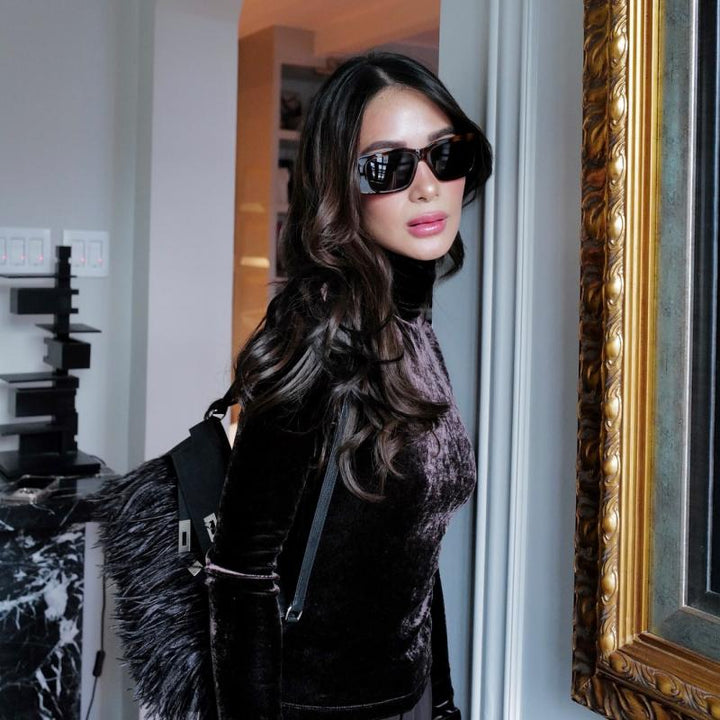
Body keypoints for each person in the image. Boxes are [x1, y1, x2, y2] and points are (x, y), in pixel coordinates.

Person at [206, 51, 493, 720]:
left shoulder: (409, 321)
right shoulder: (319, 330)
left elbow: (417, 552)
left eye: (444, 155)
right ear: (341, 185)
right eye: (387, 167)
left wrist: (442, 702)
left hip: (405, 698)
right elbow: (241, 570)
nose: (427, 188)